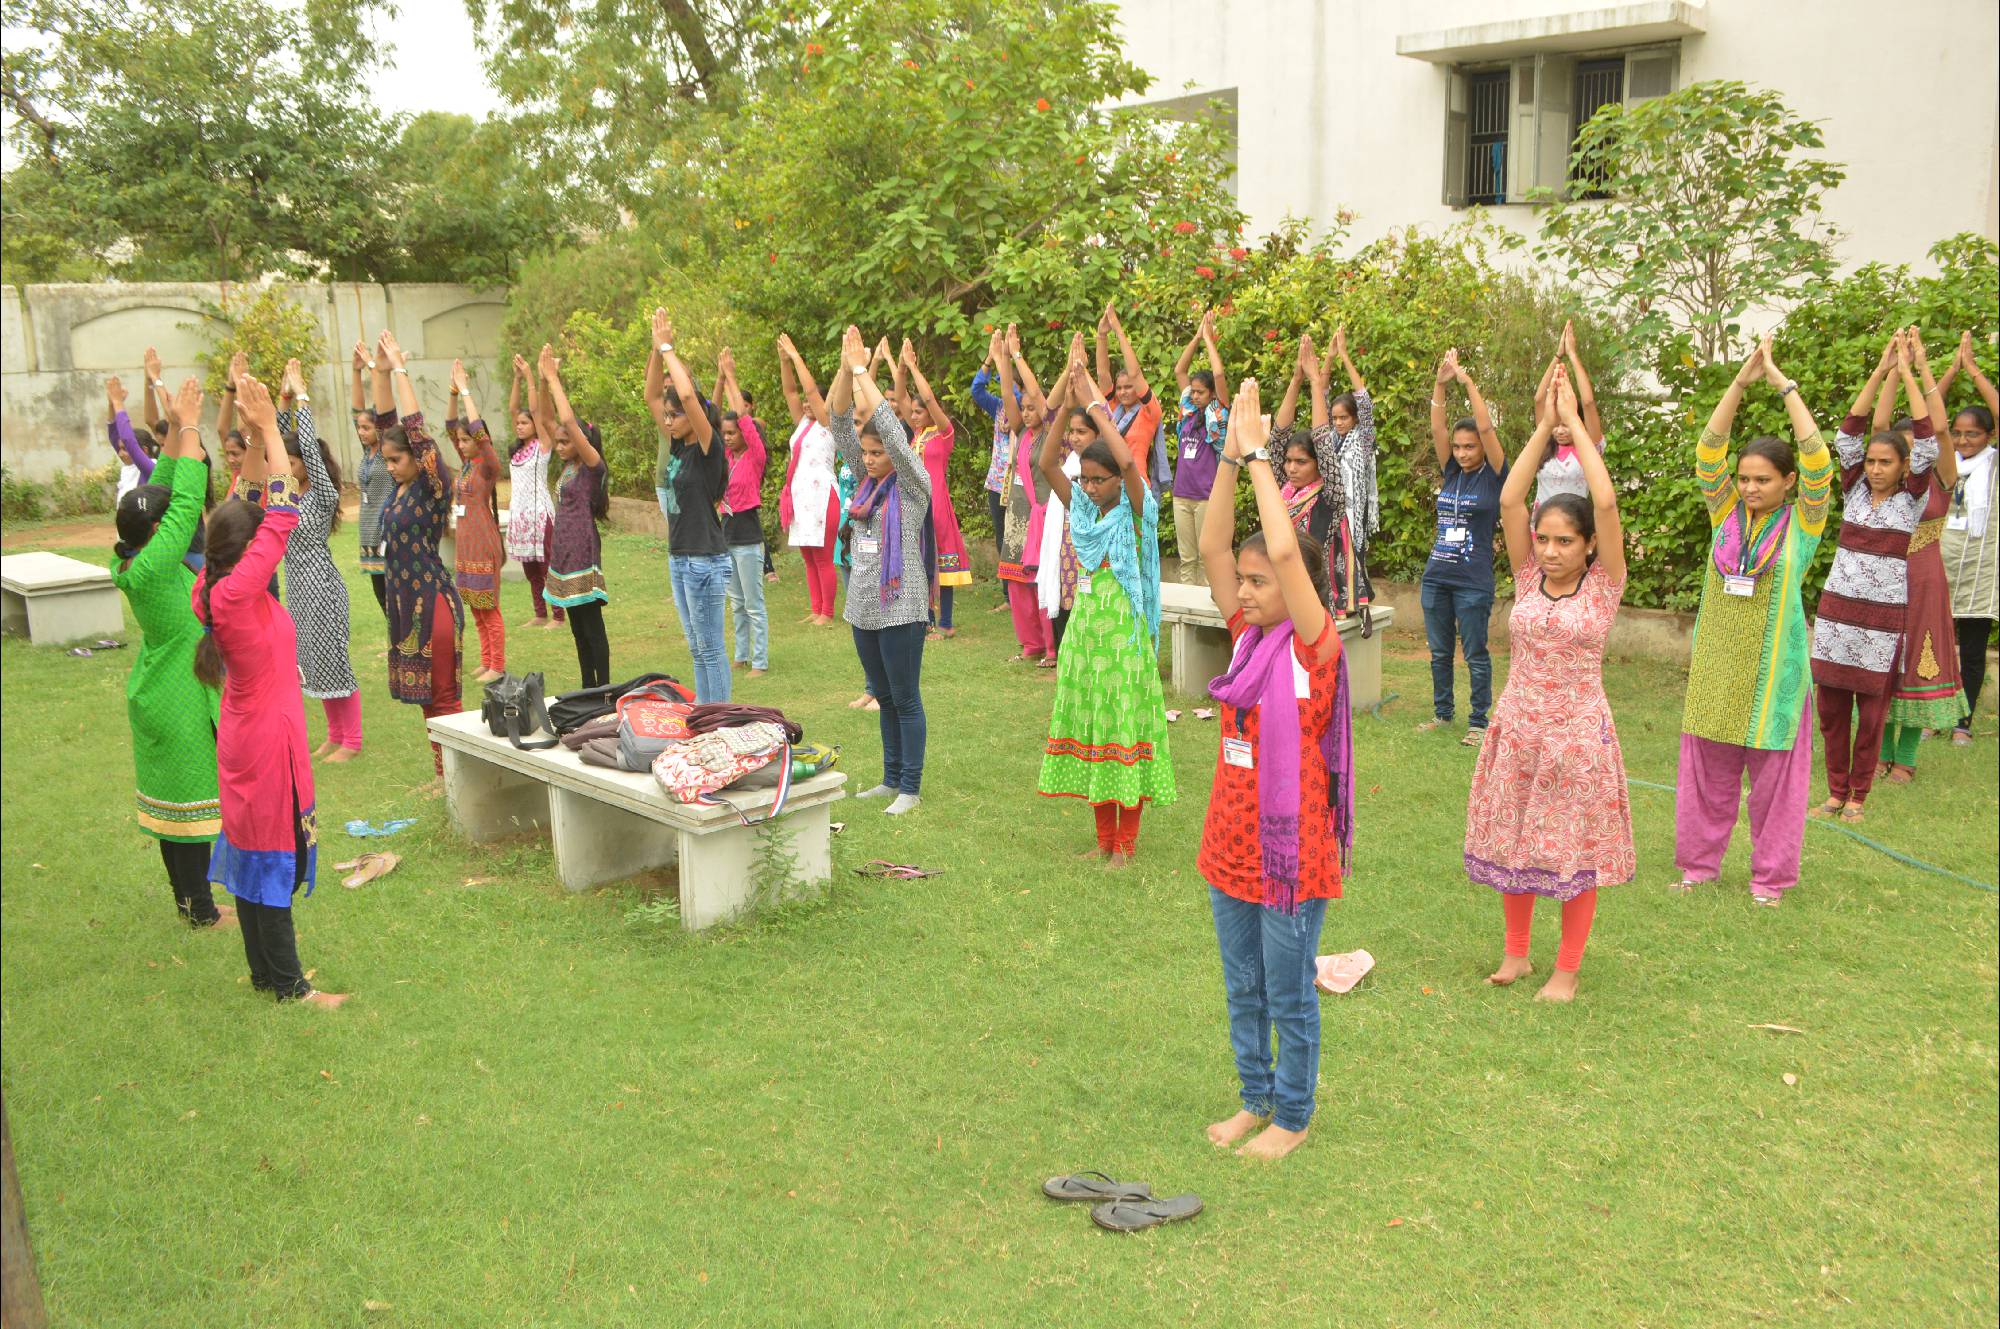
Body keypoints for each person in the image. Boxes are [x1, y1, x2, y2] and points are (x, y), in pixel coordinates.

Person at [1195, 378, 1353, 1163]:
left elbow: (1284, 549)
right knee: (1244, 989)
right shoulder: (1247, 642)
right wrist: (1229, 454)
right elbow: (1212, 548)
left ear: (1298, 591)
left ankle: (1292, 1113)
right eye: (1246, 582)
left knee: (1288, 993)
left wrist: (1262, 453)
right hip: (1231, 846)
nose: (1246, 590)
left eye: (1261, 584)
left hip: (1290, 860)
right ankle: (1254, 1098)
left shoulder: (1315, 648)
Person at [1466, 364, 1632, 1002]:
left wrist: (1577, 429)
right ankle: (1516, 955)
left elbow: (1606, 503)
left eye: (1565, 541)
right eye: (1544, 539)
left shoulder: (1604, 586)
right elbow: (1511, 500)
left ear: (1589, 545)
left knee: (1572, 851)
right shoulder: (1528, 577)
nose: (1552, 550)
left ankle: (1567, 968)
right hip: (1518, 726)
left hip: (1576, 735)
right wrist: (1545, 425)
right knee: (1515, 839)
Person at [191, 373, 346, 1008]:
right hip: (265, 744)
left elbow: (244, 502)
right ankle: (292, 986)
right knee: (272, 858)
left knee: (255, 856)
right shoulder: (237, 592)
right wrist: (273, 435)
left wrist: (260, 433)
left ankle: (264, 975)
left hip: (245, 735)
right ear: (246, 549)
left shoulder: (213, 585)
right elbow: (280, 513)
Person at [1675, 336, 1833, 906]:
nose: (1749, 488)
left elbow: (1819, 462)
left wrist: (1784, 386)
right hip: (1717, 669)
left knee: (1776, 787)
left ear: (1787, 482)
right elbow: (1708, 451)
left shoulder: (1804, 524)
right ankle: (1698, 867)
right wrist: (1740, 383)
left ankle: (1771, 879)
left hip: (1774, 681)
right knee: (1706, 778)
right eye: (1744, 478)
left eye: (1762, 479)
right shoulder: (1725, 514)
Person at [1034, 349, 1175, 865]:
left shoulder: (1137, 510)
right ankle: (1103, 843)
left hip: (1124, 642)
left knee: (1122, 731)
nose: (1090, 488)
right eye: (1086, 480)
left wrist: (1096, 404)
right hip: (1087, 636)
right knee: (1097, 730)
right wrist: (1063, 408)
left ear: (1118, 479)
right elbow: (1046, 464)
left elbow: (1132, 461)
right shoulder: (1084, 511)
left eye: (1100, 480)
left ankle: (1126, 846)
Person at [112, 374, 229, 929]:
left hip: (158, 686)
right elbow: (183, 505)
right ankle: (201, 911)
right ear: (157, 531)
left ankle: (189, 904)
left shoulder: (135, 554)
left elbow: (163, 494)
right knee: (188, 811)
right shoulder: (157, 565)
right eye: (167, 525)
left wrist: (179, 431)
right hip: (178, 695)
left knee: (173, 812)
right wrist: (188, 428)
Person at [1809, 335, 1940, 819]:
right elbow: (1847, 434)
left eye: (1887, 462)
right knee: (1831, 711)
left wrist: (1909, 371)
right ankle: (1834, 792)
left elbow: (1928, 441)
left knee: (1871, 715)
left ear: (1905, 467)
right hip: (1836, 616)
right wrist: (1881, 370)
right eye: (1872, 461)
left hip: (1882, 624)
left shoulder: (1913, 498)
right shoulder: (1855, 490)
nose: (1877, 469)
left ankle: (1858, 796)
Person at [827, 325, 933, 816]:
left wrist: (863, 371)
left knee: (905, 698)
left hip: (902, 607)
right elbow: (838, 422)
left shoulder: (913, 484)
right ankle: (890, 780)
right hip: (863, 607)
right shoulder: (865, 484)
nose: (868, 460)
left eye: (878, 453)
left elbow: (889, 426)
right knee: (884, 697)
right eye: (865, 453)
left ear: (898, 452)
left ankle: (910, 787)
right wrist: (845, 368)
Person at [372, 330, 465, 782]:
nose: (389, 467)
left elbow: (416, 432)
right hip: (407, 605)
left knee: (444, 698)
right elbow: (385, 423)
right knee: (427, 698)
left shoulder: (432, 485)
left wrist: (401, 370)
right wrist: (379, 372)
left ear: (417, 458)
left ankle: (456, 779)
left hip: (432, 603)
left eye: (396, 460)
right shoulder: (401, 486)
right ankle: (442, 777)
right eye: (386, 461)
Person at [1876, 329, 1966, 777]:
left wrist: (1922, 368)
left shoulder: (1941, 478)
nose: (1910, 459)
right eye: (1902, 452)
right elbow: (1877, 428)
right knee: (1880, 661)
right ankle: (1877, 755)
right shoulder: (1882, 482)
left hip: (1925, 581)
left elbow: (1943, 429)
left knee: (1918, 662)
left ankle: (1906, 759)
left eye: (1917, 450)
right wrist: (1892, 370)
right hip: (1881, 576)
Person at [273, 358, 363, 763]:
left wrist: (303, 398)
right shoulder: (286, 494)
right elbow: (275, 448)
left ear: (307, 465)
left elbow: (306, 447)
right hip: (297, 590)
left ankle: (352, 740)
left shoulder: (322, 494)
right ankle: (334, 735)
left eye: (293, 463)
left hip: (322, 588)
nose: (287, 467)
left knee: (333, 659)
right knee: (311, 660)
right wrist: (282, 401)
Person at [1420, 349, 1509, 746]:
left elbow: (1487, 427)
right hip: (1437, 577)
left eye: (1470, 447)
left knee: (1474, 653)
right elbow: (1438, 428)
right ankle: (1442, 715)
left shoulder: (1495, 475)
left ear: (1482, 448)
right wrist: (1440, 385)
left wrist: (1467, 381)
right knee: (1440, 652)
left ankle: (1478, 722)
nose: (1462, 453)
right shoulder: (1452, 472)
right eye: (1458, 447)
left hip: (1473, 581)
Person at [646, 308, 732, 704]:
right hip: (679, 556)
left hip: (704, 559)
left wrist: (668, 349)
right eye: (666, 417)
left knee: (710, 647)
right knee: (696, 646)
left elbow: (685, 395)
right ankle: (703, 713)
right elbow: (653, 396)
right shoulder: (678, 446)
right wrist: (654, 350)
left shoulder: (708, 448)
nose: (667, 421)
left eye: (674, 417)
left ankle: (719, 717)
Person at [528, 348, 612, 688]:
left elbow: (565, 420)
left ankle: (604, 689)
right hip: (564, 551)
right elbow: (545, 417)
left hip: (582, 551)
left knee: (592, 626)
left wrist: (554, 379)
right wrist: (543, 380)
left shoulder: (592, 466)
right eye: (559, 442)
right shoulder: (568, 466)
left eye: (567, 441)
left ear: (582, 441)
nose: (560, 445)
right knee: (577, 628)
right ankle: (587, 686)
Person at [1938, 331, 1999, 744]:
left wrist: (1974, 370)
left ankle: (1963, 722)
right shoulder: (1945, 461)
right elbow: (1930, 419)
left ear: (1989, 436)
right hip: (1941, 562)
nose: (1963, 440)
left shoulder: (1994, 463)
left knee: (1972, 652)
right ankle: (1930, 715)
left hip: (1980, 567)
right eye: (1957, 433)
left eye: (1972, 434)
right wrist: (1951, 369)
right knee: (1935, 646)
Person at [900, 340, 972, 639]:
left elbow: (928, 398)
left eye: (920, 411)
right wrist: (901, 367)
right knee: (919, 560)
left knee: (942, 560)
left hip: (936, 503)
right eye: (913, 412)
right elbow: (901, 396)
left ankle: (946, 622)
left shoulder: (944, 434)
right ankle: (927, 620)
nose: (915, 415)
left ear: (930, 412)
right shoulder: (917, 432)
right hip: (915, 503)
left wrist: (913, 367)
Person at [995, 325, 1057, 664]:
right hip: (1018, 515)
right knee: (1017, 582)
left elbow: (1034, 393)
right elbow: (1009, 393)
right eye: (1025, 408)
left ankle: (1051, 647)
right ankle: (1030, 644)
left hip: (1044, 515)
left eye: (1033, 407)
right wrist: (1002, 359)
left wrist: (1018, 354)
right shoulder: (1020, 431)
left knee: (1041, 581)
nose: (1028, 411)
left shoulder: (1050, 433)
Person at [446, 360, 507, 683]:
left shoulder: (487, 464)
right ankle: (485, 660)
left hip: (483, 542)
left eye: (465, 440)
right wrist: (453, 391)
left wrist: (467, 389)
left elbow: (479, 432)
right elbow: (449, 425)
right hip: (466, 545)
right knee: (474, 606)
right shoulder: (467, 464)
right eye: (459, 441)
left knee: (489, 607)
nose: (461, 444)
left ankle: (498, 664)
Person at [777, 332, 841, 628]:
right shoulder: (803, 422)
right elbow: (791, 391)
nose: (805, 404)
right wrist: (784, 361)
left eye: (810, 402)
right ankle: (816, 608)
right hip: (802, 498)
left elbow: (810, 390)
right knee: (808, 556)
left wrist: (796, 356)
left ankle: (827, 612)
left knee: (824, 557)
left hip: (823, 497)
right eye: (803, 403)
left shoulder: (830, 423)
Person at [716, 347, 771, 674]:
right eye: (725, 434)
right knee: (736, 602)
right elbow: (713, 421)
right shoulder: (725, 458)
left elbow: (744, 418)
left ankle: (760, 661)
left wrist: (732, 377)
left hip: (748, 536)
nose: (727, 438)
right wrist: (720, 379)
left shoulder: (754, 457)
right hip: (727, 534)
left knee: (753, 604)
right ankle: (740, 655)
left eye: (732, 433)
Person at [1170, 310, 1229, 586]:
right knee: (1187, 559)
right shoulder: (1188, 412)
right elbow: (1179, 371)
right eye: (1192, 391)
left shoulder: (1219, 413)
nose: (1194, 395)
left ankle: (1210, 607)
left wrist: (1208, 339)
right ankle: (1186, 612)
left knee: (1207, 559)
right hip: (1181, 495)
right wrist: (1195, 337)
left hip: (1206, 497)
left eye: (1200, 392)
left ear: (1212, 394)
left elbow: (1218, 373)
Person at [1311, 326, 1377, 569]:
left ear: (1355, 418)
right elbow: (1320, 394)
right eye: (1335, 418)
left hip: (1352, 519)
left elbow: (1364, 401)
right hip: (1326, 512)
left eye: (1344, 418)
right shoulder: (1328, 438)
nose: (1338, 423)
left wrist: (1345, 356)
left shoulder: (1363, 440)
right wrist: (1329, 358)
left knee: (1351, 571)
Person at [505, 359, 563, 630]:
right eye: (517, 423)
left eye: (524, 423)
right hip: (521, 516)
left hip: (540, 515)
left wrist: (531, 376)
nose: (519, 426)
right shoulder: (518, 451)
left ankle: (558, 615)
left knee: (547, 566)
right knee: (530, 569)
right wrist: (516, 378)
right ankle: (540, 614)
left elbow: (537, 411)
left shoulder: (543, 446)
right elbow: (512, 408)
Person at [1528, 321, 1608, 508]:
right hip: (1542, 522)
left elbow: (1588, 403)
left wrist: (1572, 354)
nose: (1560, 431)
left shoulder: (1589, 446)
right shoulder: (1545, 442)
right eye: (1557, 425)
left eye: (1566, 425)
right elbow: (1539, 400)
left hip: (1575, 522)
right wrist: (1558, 356)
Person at [1095, 302, 1169, 502]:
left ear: (1138, 388)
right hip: (1111, 486)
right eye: (1119, 388)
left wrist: (1118, 330)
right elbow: (1102, 374)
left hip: (1137, 486)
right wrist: (1101, 335)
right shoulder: (1114, 409)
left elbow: (1135, 373)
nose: (1122, 392)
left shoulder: (1149, 411)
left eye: (1128, 387)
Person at [970, 338, 1019, 612]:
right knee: (1002, 539)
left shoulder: (1022, 406)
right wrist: (989, 359)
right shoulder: (998, 407)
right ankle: (1008, 596)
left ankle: (1023, 592)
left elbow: (1014, 394)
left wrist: (1005, 360)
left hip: (1019, 485)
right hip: (996, 483)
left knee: (1018, 538)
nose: (1003, 390)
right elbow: (977, 390)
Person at [351, 341, 396, 615]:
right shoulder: (366, 452)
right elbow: (356, 411)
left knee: (395, 594)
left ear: (378, 428)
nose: (361, 432)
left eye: (367, 428)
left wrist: (374, 367)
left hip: (387, 531)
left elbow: (384, 411)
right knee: (381, 596)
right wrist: (355, 372)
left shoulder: (386, 452)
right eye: (359, 428)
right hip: (368, 532)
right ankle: (393, 635)